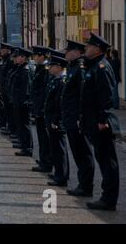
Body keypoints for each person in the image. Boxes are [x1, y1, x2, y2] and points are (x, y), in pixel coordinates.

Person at [81, 33, 119, 211]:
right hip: (94, 121)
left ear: (97, 49)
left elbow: (106, 97)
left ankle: (109, 198)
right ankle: (107, 196)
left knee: (107, 161)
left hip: (101, 123)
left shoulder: (102, 67)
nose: (85, 49)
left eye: (88, 46)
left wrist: (103, 120)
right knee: (103, 159)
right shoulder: (95, 66)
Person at [62, 40, 95, 197]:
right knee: (77, 151)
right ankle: (83, 184)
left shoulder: (80, 69)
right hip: (70, 117)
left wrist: (80, 117)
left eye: (68, 51)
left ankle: (86, 185)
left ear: (76, 52)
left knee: (83, 152)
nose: (65, 53)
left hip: (76, 118)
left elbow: (83, 95)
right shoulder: (72, 67)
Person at [44, 54, 69, 187]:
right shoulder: (55, 80)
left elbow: (59, 104)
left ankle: (62, 176)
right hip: (51, 117)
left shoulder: (62, 81)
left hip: (56, 119)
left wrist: (56, 120)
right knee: (55, 147)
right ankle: (58, 172)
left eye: (52, 66)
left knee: (59, 148)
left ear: (59, 67)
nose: (49, 68)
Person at [30, 46, 53, 173]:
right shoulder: (41, 69)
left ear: (42, 56)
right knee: (41, 136)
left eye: (36, 56)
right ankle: (44, 159)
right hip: (38, 107)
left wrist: (41, 108)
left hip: (42, 108)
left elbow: (43, 91)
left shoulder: (45, 70)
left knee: (44, 137)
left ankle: (47, 161)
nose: (34, 58)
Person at [10, 48, 33, 157]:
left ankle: (27, 147)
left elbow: (25, 89)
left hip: (22, 103)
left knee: (24, 125)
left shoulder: (25, 70)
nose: (15, 58)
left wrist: (23, 102)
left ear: (23, 58)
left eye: (17, 56)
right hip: (18, 101)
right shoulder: (20, 68)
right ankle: (23, 144)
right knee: (20, 125)